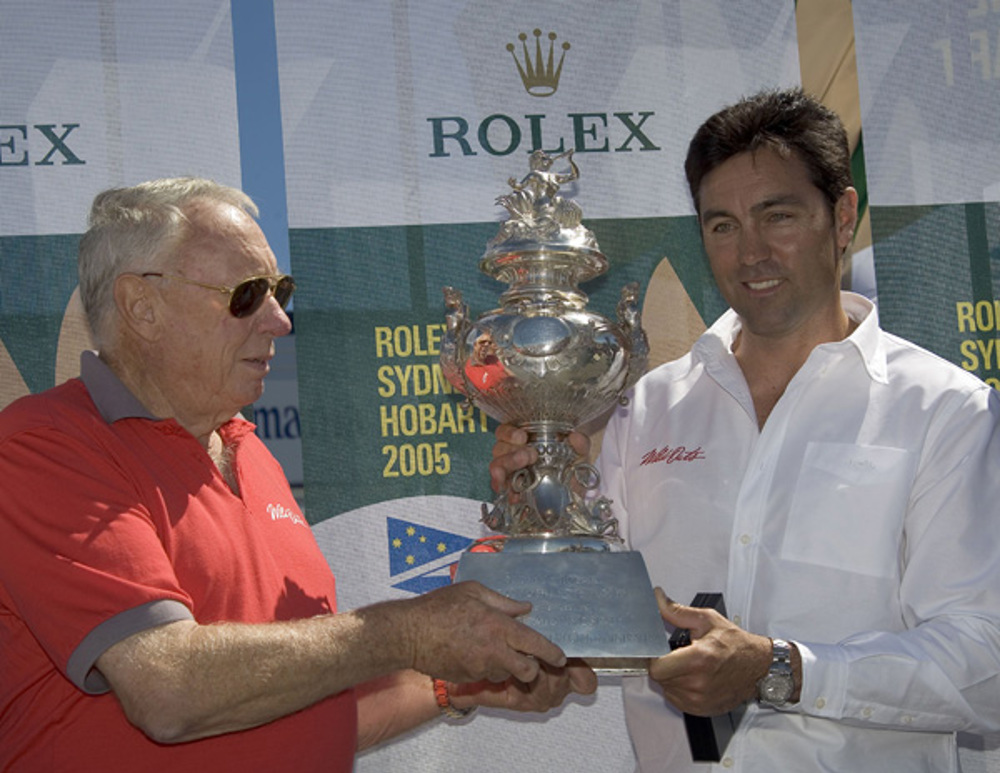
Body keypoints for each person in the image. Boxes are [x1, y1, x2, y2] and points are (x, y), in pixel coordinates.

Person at [0, 177, 597, 773]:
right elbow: (168, 689)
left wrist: (458, 684)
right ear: (141, 307)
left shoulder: (248, 451)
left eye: (280, 290)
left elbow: (299, 704)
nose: (279, 321)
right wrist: (406, 632)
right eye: (246, 294)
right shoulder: (44, 447)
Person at [490, 88, 1000, 771]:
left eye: (778, 216)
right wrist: (540, 501)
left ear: (842, 218)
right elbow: (589, 616)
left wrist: (781, 668)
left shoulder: (945, 410)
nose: (750, 252)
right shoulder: (641, 411)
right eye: (722, 225)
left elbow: (985, 660)